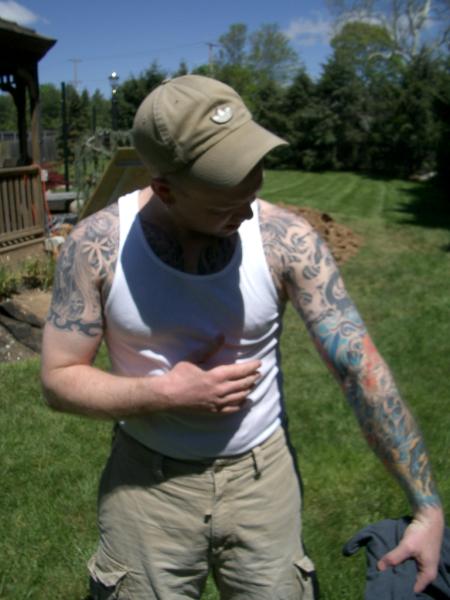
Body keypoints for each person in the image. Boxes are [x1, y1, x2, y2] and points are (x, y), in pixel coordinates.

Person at [40, 75, 444, 600]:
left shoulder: (287, 240)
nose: (249, 208)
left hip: (263, 481)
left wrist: (427, 507)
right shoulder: (95, 245)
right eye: (223, 202)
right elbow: (58, 379)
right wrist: (165, 393)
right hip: (145, 487)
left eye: (252, 187)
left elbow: (358, 367)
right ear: (165, 189)